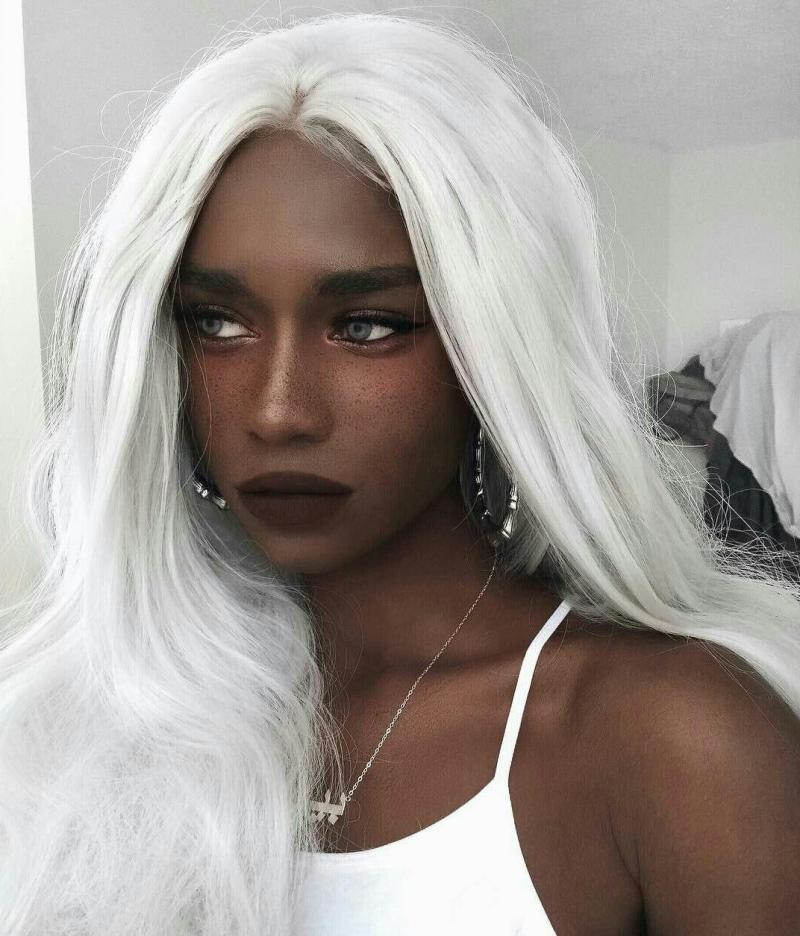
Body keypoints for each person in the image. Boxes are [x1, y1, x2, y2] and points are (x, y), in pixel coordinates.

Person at [1, 12, 798, 936]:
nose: (279, 411)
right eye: (218, 323)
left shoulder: (674, 735)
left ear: (492, 350)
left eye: (368, 325)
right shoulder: (109, 724)